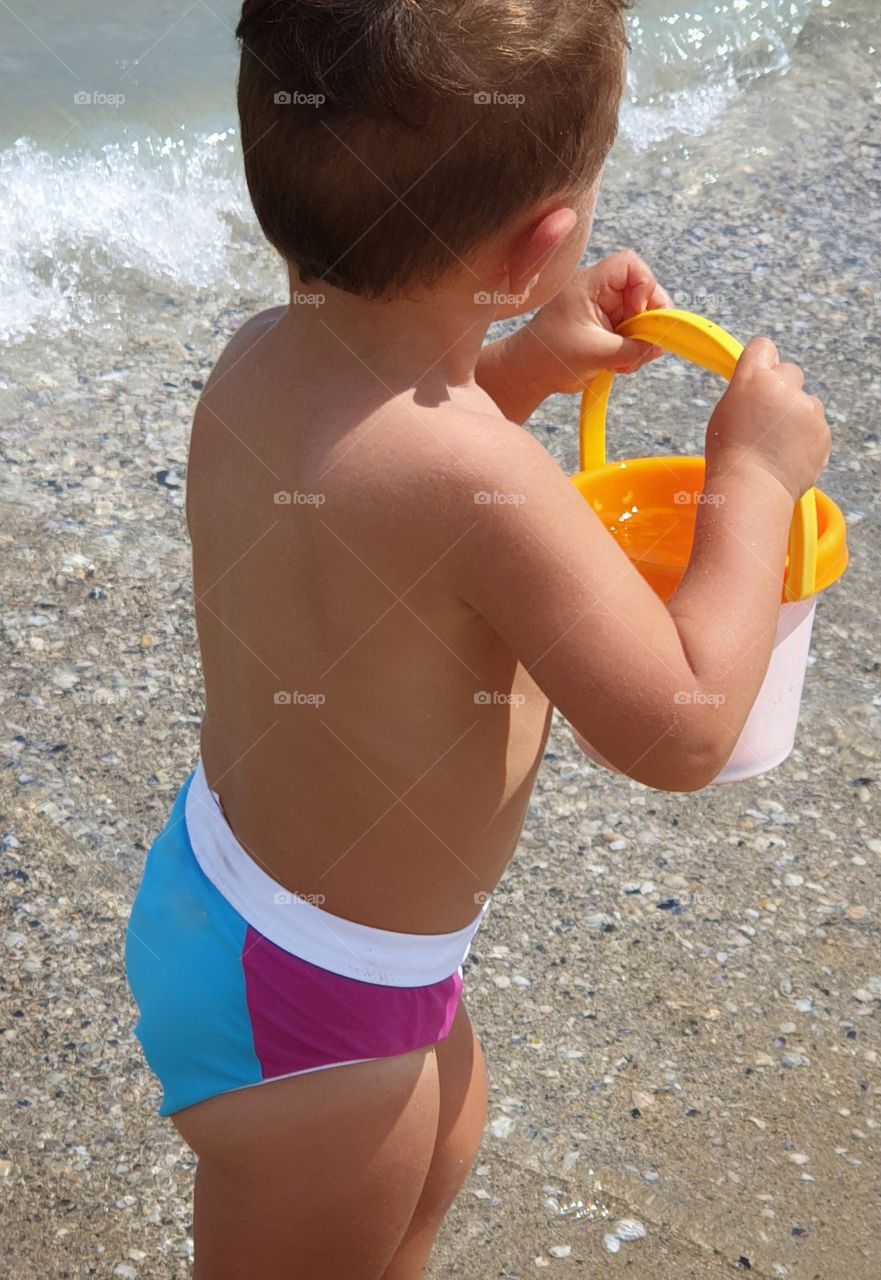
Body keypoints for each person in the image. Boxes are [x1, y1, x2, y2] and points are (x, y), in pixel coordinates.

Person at [124, 1, 830, 1275]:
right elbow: (678, 723)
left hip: (262, 911)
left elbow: (383, 497)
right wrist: (752, 481)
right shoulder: (475, 485)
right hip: (318, 1009)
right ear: (546, 236)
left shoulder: (260, 361)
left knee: (431, 1163)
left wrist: (520, 362)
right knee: (377, 1184)